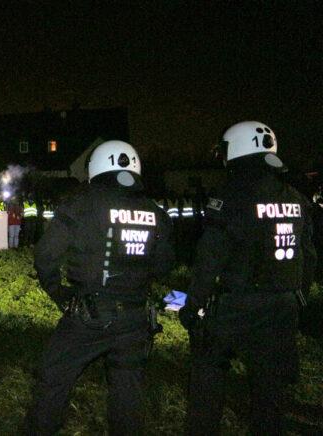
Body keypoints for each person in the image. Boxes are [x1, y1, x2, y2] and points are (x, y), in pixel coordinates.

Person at [26, 140, 174, 435]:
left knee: (52, 376)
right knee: (127, 388)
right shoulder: (156, 212)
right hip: (136, 318)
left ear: (96, 168)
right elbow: (164, 266)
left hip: (89, 316)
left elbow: (45, 255)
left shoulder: (80, 203)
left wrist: (58, 293)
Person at [179, 121, 317, 435]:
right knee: (270, 388)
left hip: (235, 305)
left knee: (207, 370)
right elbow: (308, 257)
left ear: (238, 149)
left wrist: (193, 307)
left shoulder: (229, 197)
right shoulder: (296, 197)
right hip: (282, 307)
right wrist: (298, 295)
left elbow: (208, 259)